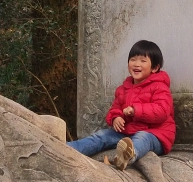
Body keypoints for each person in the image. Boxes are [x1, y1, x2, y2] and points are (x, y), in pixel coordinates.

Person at [69, 40, 176, 169]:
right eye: (133, 59)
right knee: (102, 135)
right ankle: (69, 148)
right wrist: (116, 117)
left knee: (142, 138)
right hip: (127, 133)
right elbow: (115, 108)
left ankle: (127, 156)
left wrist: (136, 110)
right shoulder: (123, 89)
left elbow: (162, 111)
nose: (137, 64)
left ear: (155, 68)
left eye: (143, 61)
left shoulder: (160, 87)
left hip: (156, 135)